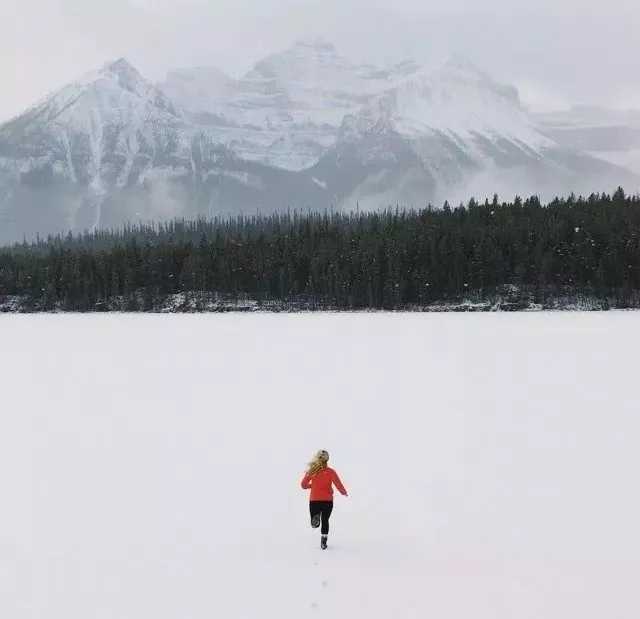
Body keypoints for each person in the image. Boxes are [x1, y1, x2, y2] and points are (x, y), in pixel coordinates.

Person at [300, 450, 348, 549]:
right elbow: (338, 484)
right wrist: (343, 492)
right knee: (325, 520)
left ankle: (315, 519)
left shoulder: (312, 471)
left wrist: (312, 485)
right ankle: (323, 541)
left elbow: (303, 485)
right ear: (327, 459)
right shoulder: (331, 472)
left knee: (315, 523)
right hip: (327, 501)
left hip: (315, 500)